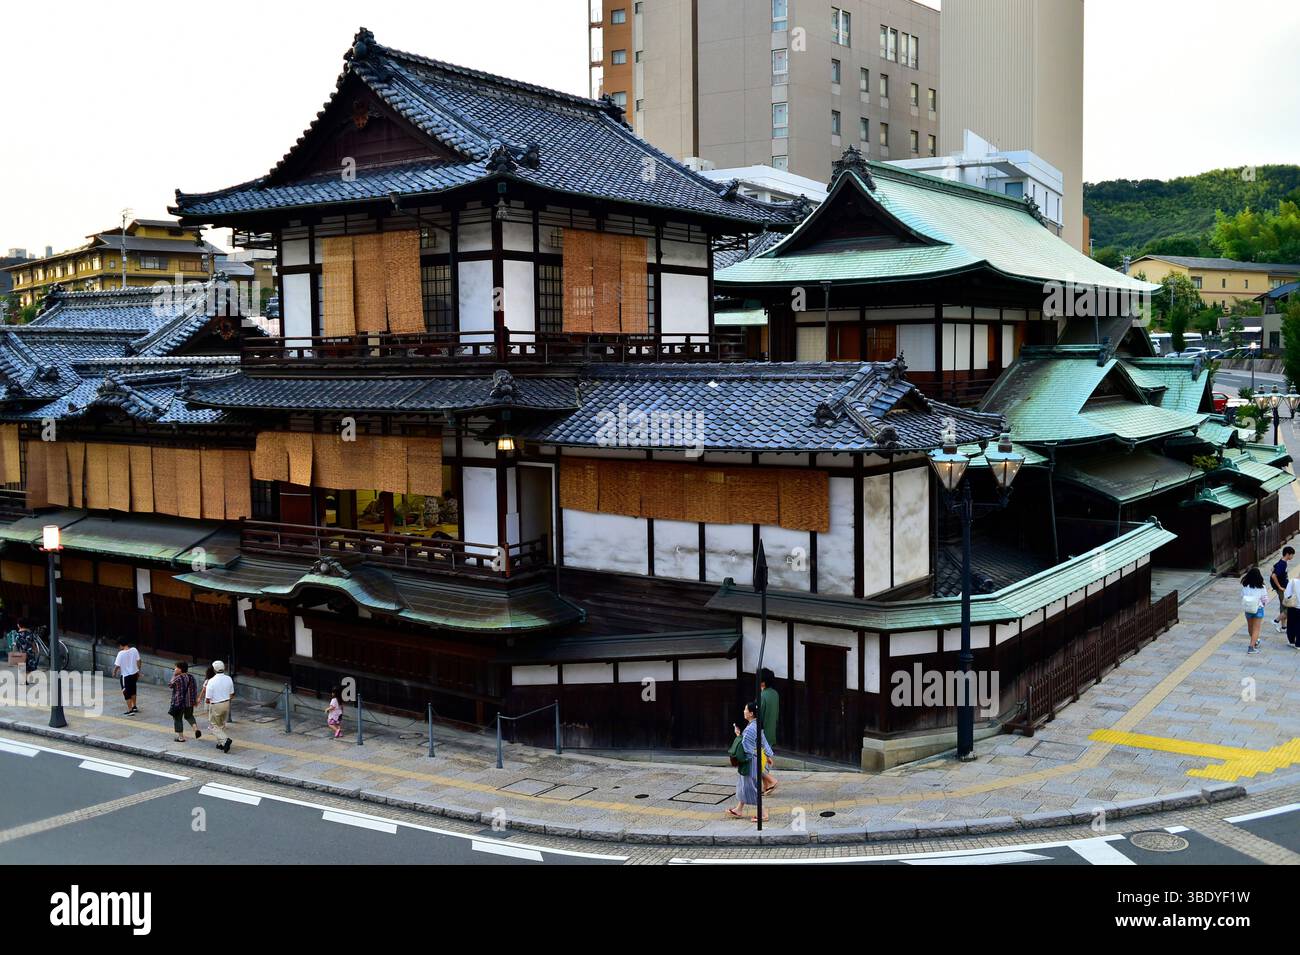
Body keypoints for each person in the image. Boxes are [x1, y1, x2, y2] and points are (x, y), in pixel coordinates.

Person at [726, 701, 773, 822]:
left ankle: (763, 813)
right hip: (754, 759)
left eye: (745, 709)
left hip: (750, 761)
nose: (744, 711)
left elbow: (745, 747)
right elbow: (763, 741)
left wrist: (738, 735)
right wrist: (768, 755)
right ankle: (739, 809)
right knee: (744, 785)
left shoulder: (750, 729)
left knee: (750, 787)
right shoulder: (756, 725)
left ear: (751, 713)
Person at [205, 660, 234, 754]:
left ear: (214, 669)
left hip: (216, 704)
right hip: (226, 703)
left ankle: (225, 740)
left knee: (212, 725)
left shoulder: (211, 681)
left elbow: (208, 699)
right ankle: (220, 744)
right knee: (221, 724)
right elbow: (232, 694)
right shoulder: (229, 678)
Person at [167, 661, 201, 743]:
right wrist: (195, 700)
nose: (174, 669)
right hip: (189, 702)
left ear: (180, 669)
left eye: (176, 667)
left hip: (179, 703)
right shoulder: (191, 677)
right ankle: (196, 729)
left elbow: (170, 685)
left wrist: (174, 675)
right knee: (189, 716)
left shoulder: (177, 678)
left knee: (178, 718)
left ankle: (181, 738)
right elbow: (195, 689)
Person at [759, 668, 779, 796]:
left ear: (763, 682)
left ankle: (771, 781)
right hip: (771, 731)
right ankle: (765, 786)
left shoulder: (762, 696)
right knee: (763, 761)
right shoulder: (775, 694)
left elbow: (758, 717)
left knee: (757, 762)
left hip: (762, 733)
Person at [1241, 567, 1270, 654]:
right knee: (1256, 628)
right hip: (1258, 608)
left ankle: (1254, 641)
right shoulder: (1262, 586)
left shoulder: (1245, 585)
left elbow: (1242, 595)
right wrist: (1264, 604)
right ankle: (1251, 647)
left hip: (1248, 609)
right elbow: (1265, 599)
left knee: (1250, 626)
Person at [112, 639, 142, 715]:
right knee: (133, 690)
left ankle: (130, 710)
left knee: (126, 692)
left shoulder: (121, 653)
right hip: (134, 674)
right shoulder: (134, 650)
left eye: (119, 645)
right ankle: (134, 706)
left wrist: (114, 672)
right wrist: (138, 670)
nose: (118, 647)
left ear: (121, 645)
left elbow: (117, 666)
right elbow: (139, 661)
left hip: (125, 676)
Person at [1272, 546, 1295, 632]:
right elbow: (1274, 575)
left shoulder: (1282, 562)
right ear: (1288, 554)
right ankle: (1276, 621)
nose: (1292, 557)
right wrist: (1279, 587)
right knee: (1288, 608)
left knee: (1283, 606)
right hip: (1282, 589)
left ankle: (1283, 626)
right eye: (1292, 555)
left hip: (1284, 588)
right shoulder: (1282, 564)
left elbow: (1273, 569)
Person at [9, 619, 39, 686]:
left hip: (21, 653)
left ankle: (24, 680)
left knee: (22, 667)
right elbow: (33, 642)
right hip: (30, 652)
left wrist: (13, 649)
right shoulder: (30, 633)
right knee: (29, 667)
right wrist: (35, 649)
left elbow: (16, 644)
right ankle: (26, 679)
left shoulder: (17, 635)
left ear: (19, 625)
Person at [198, 664, 216, 730]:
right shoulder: (216, 680)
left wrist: (199, 697)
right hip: (217, 698)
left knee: (210, 712)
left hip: (209, 698)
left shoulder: (208, 680)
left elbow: (203, 690)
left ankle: (212, 725)